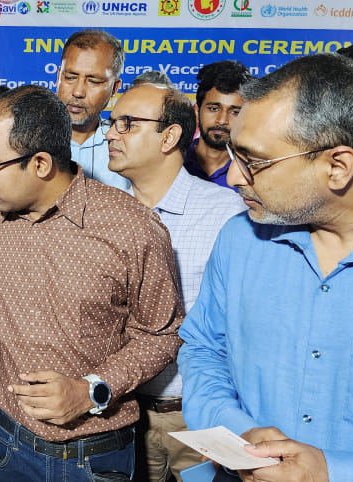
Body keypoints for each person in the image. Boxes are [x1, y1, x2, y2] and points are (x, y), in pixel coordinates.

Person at [0, 85, 183, 481]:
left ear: (40, 164)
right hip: (3, 442)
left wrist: (91, 389)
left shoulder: (131, 228)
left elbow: (160, 335)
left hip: (92, 455)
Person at [178, 53, 353, 481]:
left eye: (254, 161)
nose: (236, 178)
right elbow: (202, 350)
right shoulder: (241, 239)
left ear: (338, 166)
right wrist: (241, 433)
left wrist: (336, 471)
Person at [104, 83, 245, 481]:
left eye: (127, 124)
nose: (112, 133)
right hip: (122, 413)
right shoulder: (103, 214)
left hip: (200, 417)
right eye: (112, 123)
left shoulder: (225, 214)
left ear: (169, 136)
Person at [57, 29, 130, 190]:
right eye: (70, 77)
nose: (78, 92)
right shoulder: (26, 140)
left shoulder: (129, 147)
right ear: (58, 77)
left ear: (114, 88)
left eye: (94, 81)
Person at [183, 61, 253, 190]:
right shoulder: (174, 162)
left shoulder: (253, 173)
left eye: (234, 112)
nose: (222, 120)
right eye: (214, 109)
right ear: (197, 111)